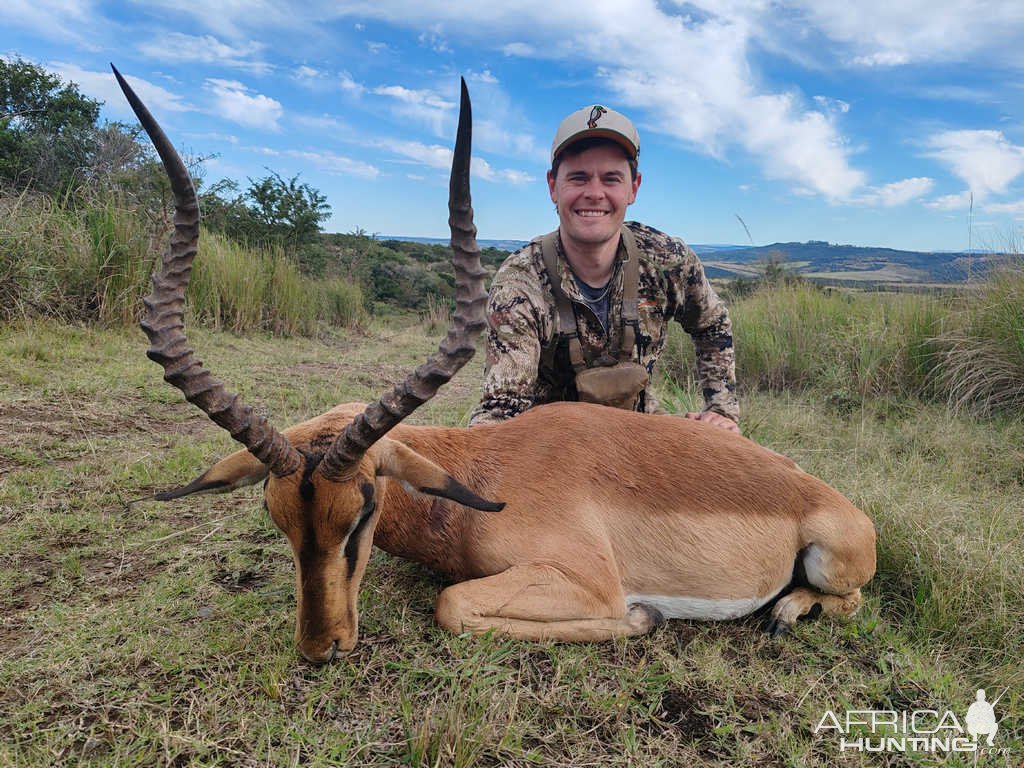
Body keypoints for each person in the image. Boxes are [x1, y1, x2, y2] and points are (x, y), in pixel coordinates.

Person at [468, 103, 739, 432]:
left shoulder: (667, 260)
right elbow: (502, 409)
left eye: (611, 179)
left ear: (633, 188)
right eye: (578, 178)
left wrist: (721, 409)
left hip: (640, 433)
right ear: (553, 187)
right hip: (548, 449)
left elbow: (712, 325)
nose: (594, 193)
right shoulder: (519, 286)